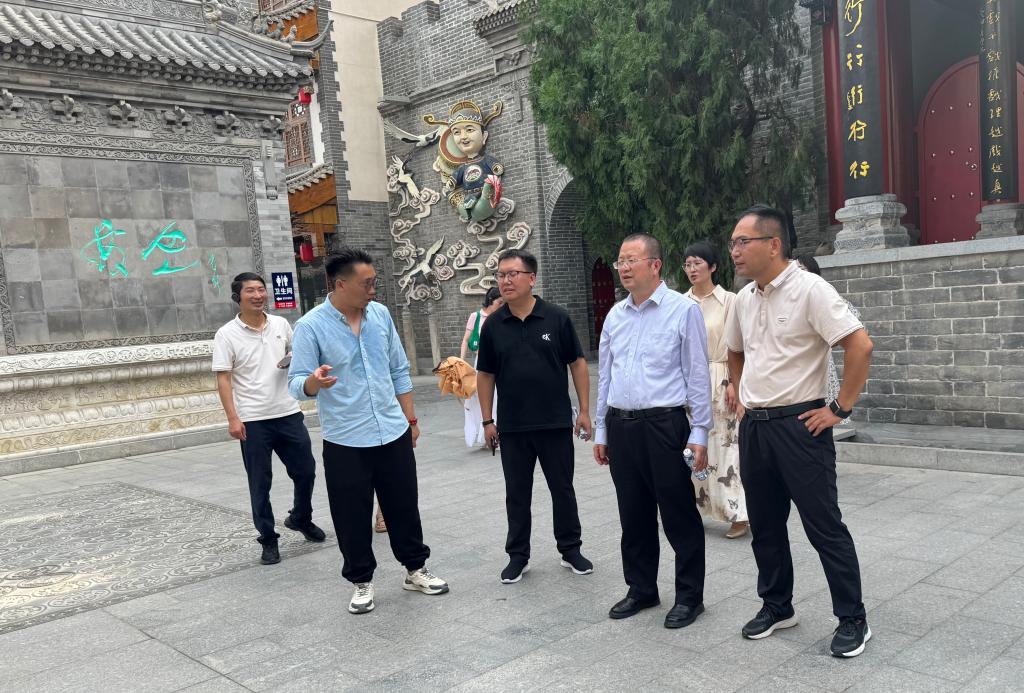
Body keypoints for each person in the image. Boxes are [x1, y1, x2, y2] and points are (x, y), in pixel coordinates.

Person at [725, 205, 874, 657]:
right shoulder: (745, 298)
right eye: (732, 243)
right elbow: (735, 350)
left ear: (774, 244)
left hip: (800, 426)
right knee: (766, 525)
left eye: (742, 241)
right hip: (756, 428)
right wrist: (740, 393)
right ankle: (777, 605)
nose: (734, 250)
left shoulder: (810, 289)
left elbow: (859, 345)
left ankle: (852, 617)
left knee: (823, 525)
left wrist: (839, 409)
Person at [288, 248, 448, 615]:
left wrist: (410, 421)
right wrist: (314, 382)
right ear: (340, 284)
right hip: (346, 438)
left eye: (374, 282)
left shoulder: (380, 315)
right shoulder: (311, 326)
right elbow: (296, 383)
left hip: (392, 429)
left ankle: (415, 569)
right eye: (367, 284)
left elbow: (398, 369)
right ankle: (361, 581)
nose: (374, 289)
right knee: (351, 514)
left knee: (403, 506)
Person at [593, 233, 713, 629]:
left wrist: (699, 431)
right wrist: (601, 429)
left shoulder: (683, 310)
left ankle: (690, 597)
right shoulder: (615, 315)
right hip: (622, 425)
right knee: (633, 513)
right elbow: (606, 376)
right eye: (620, 261)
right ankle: (641, 588)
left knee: (678, 513)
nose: (624, 267)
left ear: (655, 265)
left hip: (665, 425)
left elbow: (697, 375)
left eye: (632, 260)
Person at [476, 249, 594, 584]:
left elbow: (578, 364)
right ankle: (518, 556)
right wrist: (487, 421)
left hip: (555, 422)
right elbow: (485, 374)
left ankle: (570, 549)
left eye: (512, 274)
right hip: (513, 426)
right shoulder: (493, 325)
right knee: (517, 493)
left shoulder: (556, 318)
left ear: (532, 278)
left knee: (562, 489)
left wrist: (584, 411)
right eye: (501, 275)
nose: (505, 281)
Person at [212, 272, 326, 566]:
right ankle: (268, 538)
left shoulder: (280, 324)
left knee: (306, 471)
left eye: (261, 290)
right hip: (253, 420)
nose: (258, 295)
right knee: (260, 483)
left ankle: (300, 517)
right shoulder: (226, 334)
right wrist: (233, 418)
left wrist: (293, 359)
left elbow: (297, 354)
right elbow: (223, 378)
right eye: (250, 291)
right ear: (238, 297)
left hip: (288, 412)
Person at [683, 241, 748, 539]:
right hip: (689, 382)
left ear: (713, 267)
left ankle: (737, 513)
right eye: (687, 264)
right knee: (694, 448)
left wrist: (735, 382)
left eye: (697, 263)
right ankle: (696, 508)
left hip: (721, 377)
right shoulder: (681, 303)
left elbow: (740, 346)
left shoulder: (730, 301)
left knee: (726, 447)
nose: (692, 269)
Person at [795, 254, 861, 427]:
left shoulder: (821, 292)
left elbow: (853, 318)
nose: (798, 273)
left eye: (802, 269)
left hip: (819, 359)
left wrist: (831, 337)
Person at [460, 287, 504, 448]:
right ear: (491, 301)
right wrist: (461, 361)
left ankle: (498, 434)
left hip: (500, 362)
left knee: (498, 399)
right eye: (500, 303)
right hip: (482, 362)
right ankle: (484, 434)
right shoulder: (476, 316)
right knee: (481, 399)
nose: (502, 306)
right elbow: (466, 340)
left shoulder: (502, 316)